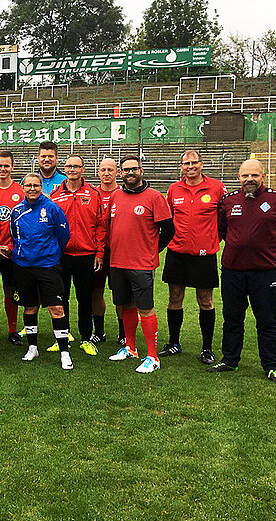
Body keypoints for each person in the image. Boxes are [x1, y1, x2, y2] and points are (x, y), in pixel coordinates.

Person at [208, 159, 276, 383]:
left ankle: (272, 366)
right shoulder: (228, 201)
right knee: (232, 318)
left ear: (263, 177)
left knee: (266, 320)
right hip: (233, 270)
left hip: (266, 272)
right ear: (238, 177)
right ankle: (229, 360)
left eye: (254, 176)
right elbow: (223, 230)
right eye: (245, 176)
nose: (250, 180)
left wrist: (267, 249)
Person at [106, 156, 174, 374]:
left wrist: (152, 250)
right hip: (117, 262)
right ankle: (130, 348)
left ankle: (152, 356)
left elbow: (169, 230)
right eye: (126, 170)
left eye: (134, 169)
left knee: (145, 308)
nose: (130, 173)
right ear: (121, 173)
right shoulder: (115, 196)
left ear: (141, 171)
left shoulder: (154, 197)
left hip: (142, 264)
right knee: (126, 304)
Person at [158, 150, 227, 365]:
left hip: (204, 255)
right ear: (181, 167)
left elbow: (224, 219)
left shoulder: (216, 188)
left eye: (194, 162)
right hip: (177, 253)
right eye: (186, 163)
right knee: (174, 298)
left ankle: (207, 348)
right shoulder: (173, 189)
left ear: (201, 164)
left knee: (205, 300)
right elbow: (167, 220)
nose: (190, 166)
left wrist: (213, 240)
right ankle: (174, 343)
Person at [10, 174, 73, 371]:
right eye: (28, 185)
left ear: (41, 187)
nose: (32, 188)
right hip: (23, 266)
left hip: (48, 266)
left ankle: (64, 352)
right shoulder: (17, 211)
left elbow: (63, 235)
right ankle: (32, 347)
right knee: (30, 308)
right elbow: (14, 235)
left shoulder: (52, 208)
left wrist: (51, 253)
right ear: (22, 188)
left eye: (36, 185)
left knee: (57, 309)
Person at [50, 154, 106, 356]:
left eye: (76, 166)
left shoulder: (94, 194)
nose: (72, 169)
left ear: (83, 169)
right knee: (61, 298)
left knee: (85, 299)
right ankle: (62, 337)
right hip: (62, 255)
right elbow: (51, 226)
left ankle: (86, 338)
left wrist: (99, 253)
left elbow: (101, 226)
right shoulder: (55, 194)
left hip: (86, 255)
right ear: (64, 169)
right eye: (68, 166)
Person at [0, 151, 24, 346]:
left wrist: (10, 246)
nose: (2, 169)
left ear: (12, 167)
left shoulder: (21, 191)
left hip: (12, 251)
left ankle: (12, 330)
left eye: (6, 165)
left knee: (10, 291)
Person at [90, 158, 123, 347]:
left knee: (120, 293)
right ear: (98, 172)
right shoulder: (93, 193)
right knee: (96, 291)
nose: (106, 173)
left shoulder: (123, 193)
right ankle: (99, 331)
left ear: (117, 172)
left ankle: (123, 332)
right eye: (103, 169)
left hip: (119, 250)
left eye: (110, 169)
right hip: (97, 251)